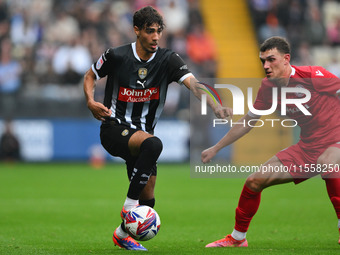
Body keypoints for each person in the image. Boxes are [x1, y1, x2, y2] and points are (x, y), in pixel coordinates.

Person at [83, 6, 231, 251]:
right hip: (114, 129)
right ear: (137, 30)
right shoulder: (116, 56)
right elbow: (90, 75)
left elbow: (194, 84)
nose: (155, 37)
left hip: (141, 135)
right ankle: (128, 207)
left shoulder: (168, 59)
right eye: (150, 31)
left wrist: (215, 105)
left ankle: (121, 234)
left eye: (159, 32)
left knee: (148, 201)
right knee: (154, 144)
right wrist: (90, 101)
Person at [201, 36, 340, 247]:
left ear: (286, 59)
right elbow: (248, 121)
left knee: (327, 161)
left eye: (271, 59)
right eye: (262, 61)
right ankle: (238, 238)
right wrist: (216, 148)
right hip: (308, 147)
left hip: (336, 140)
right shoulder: (267, 88)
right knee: (254, 181)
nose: (266, 65)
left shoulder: (312, 75)